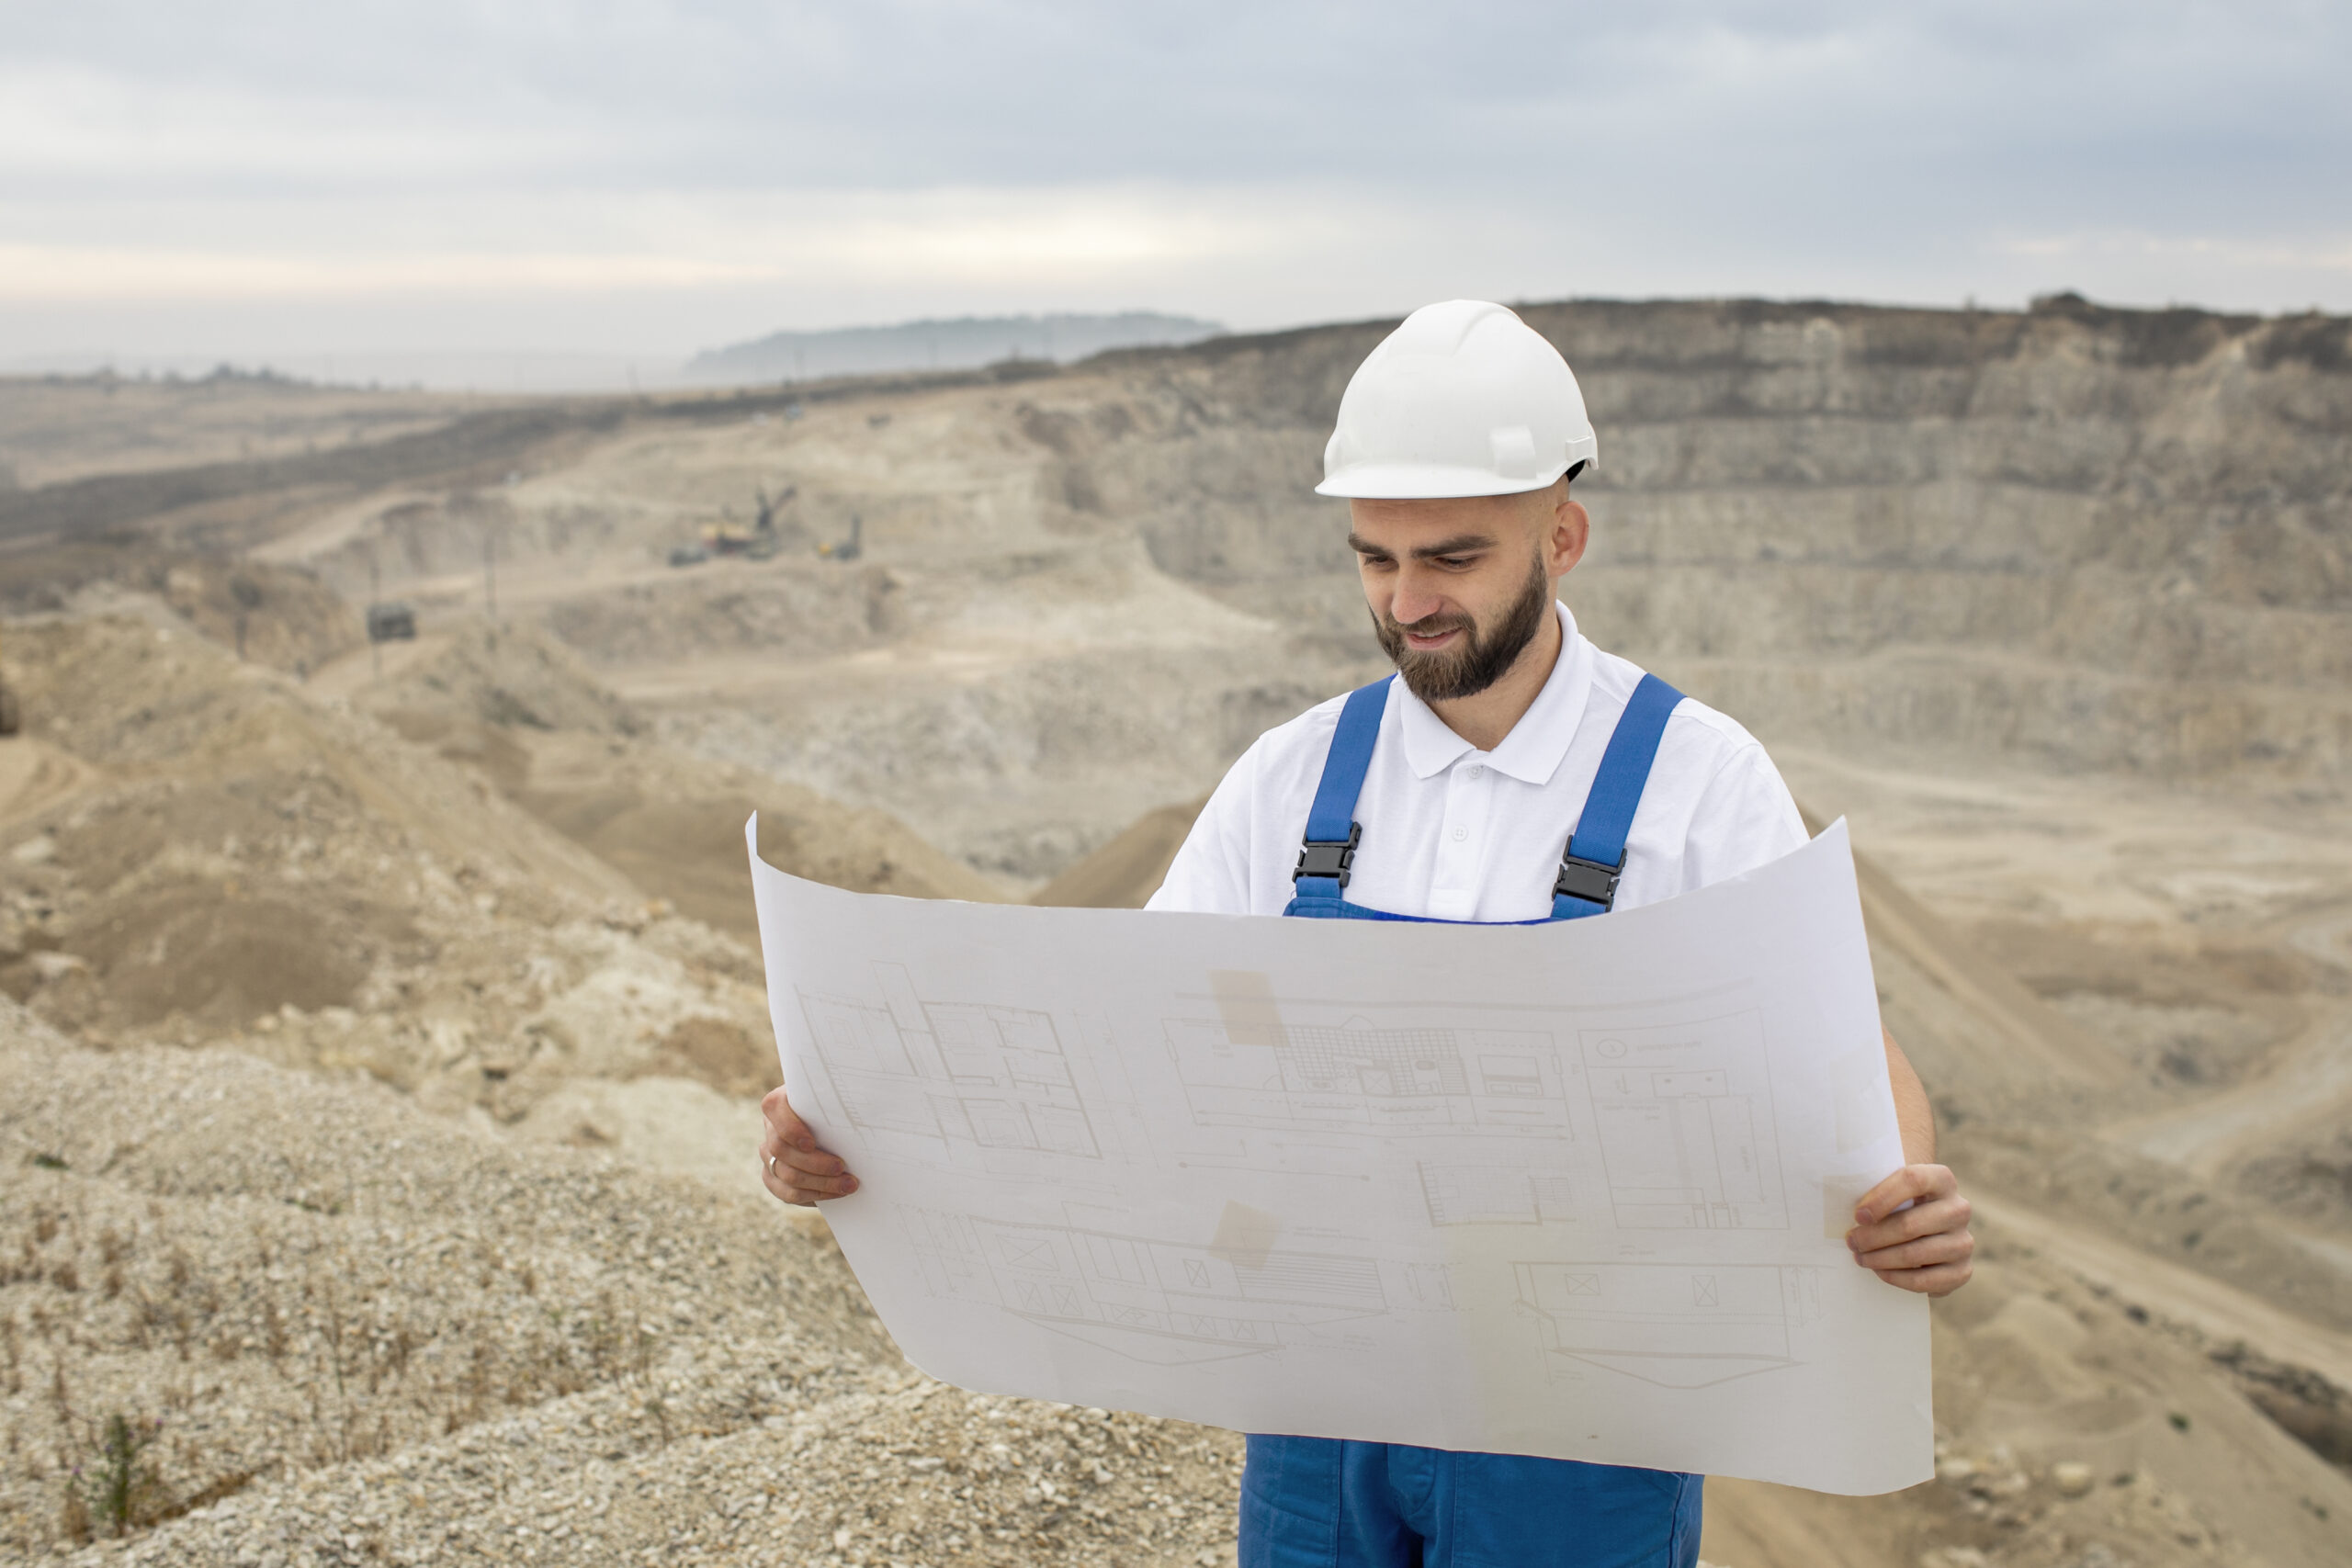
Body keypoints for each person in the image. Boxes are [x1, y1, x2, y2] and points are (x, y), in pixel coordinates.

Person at [760, 299, 1975, 1568]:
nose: (1408, 603)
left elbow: (1847, 1062)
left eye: (1452, 557)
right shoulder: (1290, 783)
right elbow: (1120, 1063)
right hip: (1317, 1408)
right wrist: (847, 1135)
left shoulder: (1699, 782)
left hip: (1583, 1429)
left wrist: (1906, 1201)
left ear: (1562, 533)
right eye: (1374, 560)